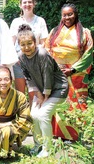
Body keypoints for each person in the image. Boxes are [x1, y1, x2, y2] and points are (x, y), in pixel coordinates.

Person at [17, 24, 68, 158]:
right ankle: (37, 145)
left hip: (58, 89)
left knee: (43, 115)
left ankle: (47, 148)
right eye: (23, 44)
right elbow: (28, 77)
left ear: (35, 42)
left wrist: (45, 96)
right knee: (34, 115)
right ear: (19, 45)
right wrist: (39, 95)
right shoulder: (21, 57)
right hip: (41, 91)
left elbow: (47, 75)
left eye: (29, 43)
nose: (27, 47)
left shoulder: (42, 54)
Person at [45, 3, 93, 140]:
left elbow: (88, 54)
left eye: (70, 14)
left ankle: (76, 135)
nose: (67, 17)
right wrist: (55, 68)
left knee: (76, 104)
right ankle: (57, 134)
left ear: (75, 14)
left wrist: (72, 69)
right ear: (61, 16)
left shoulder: (84, 33)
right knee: (58, 102)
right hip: (57, 73)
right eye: (65, 15)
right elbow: (47, 50)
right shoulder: (54, 32)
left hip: (76, 74)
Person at [10, 0, 48, 102]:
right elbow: (11, 43)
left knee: (34, 93)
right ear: (20, 5)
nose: (27, 5)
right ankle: (22, 116)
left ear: (34, 4)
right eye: (24, 2)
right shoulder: (15, 22)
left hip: (35, 62)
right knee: (20, 93)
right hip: (19, 63)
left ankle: (33, 116)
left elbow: (43, 43)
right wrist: (16, 58)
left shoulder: (40, 21)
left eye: (30, 2)